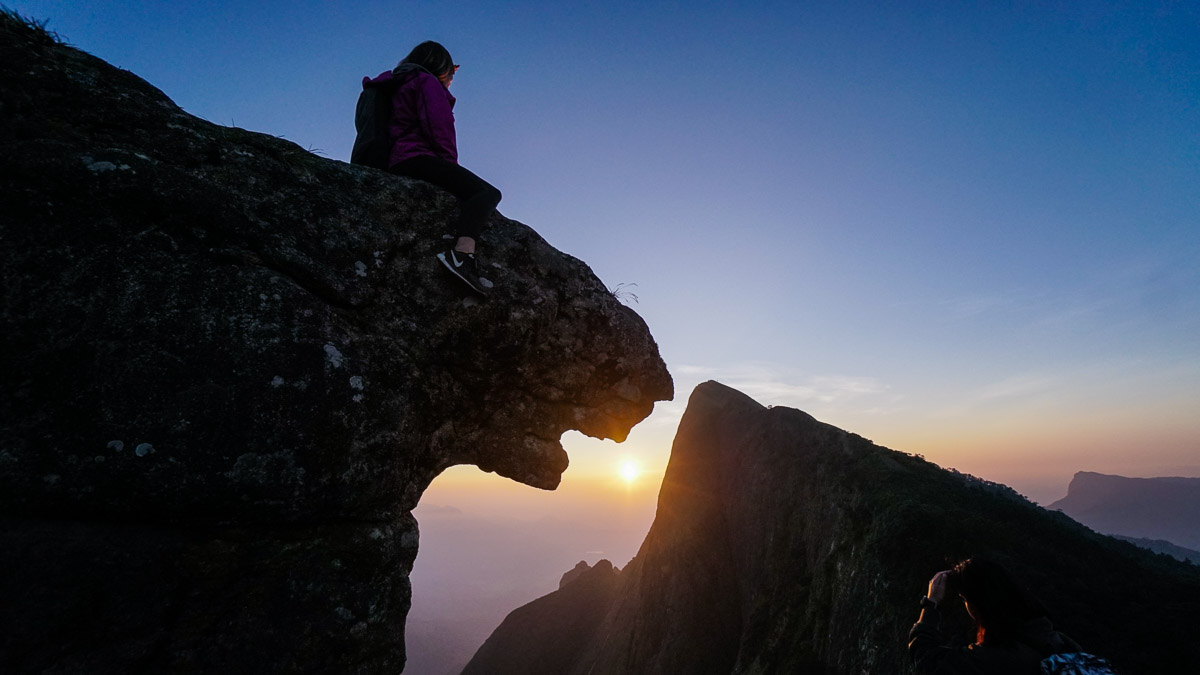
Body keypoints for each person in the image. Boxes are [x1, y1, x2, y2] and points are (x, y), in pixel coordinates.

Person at [366, 41, 501, 295]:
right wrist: (450, 168)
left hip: (398, 160)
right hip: (418, 158)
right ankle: (462, 257)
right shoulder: (427, 83)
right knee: (487, 193)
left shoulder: (399, 82)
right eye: (452, 74)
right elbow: (438, 128)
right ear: (443, 68)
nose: (451, 80)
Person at [908, 557, 1084, 674]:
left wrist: (931, 604)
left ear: (980, 603)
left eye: (964, 599)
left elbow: (927, 662)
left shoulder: (999, 659)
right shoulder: (1059, 641)